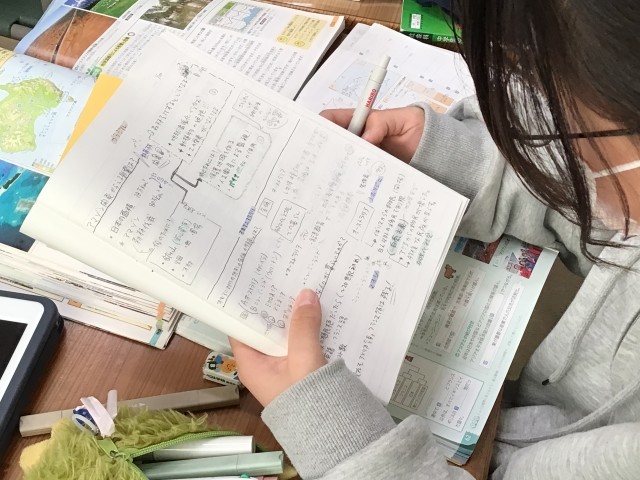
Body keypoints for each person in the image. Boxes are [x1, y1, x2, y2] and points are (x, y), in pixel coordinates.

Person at [230, 1, 640, 478]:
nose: (578, 162)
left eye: (586, 147)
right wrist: (455, 156)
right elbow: (589, 201)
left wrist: (333, 433)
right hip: (525, 417)